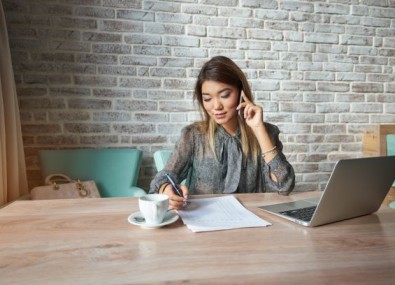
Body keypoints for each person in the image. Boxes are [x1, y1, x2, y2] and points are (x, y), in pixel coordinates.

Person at [150, 56, 295, 209]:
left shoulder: (265, 133)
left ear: (241, 93)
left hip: (251, 222)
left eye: (225, 95)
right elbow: (161, 180)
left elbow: (284, 186)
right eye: (207, 99)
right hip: (203, 220)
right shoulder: (193, 135)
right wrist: (166, 190)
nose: (216, 106)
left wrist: (258, 129)